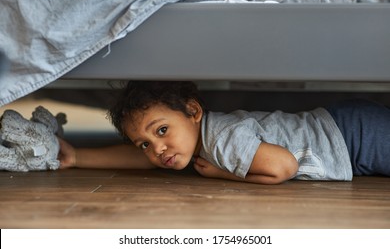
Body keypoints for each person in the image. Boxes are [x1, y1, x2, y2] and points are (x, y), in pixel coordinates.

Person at [58, 81, 390, 184]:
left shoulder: (223, 140)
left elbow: (283, 166)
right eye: (145, 143)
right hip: (348, 139)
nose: (157, 148)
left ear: (193, 112)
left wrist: (225, 173)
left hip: (354, 135)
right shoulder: (193, 139)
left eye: (161, 130)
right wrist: (77, 157)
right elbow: (142, 160)